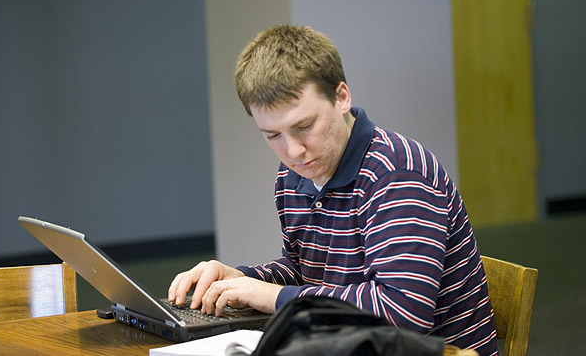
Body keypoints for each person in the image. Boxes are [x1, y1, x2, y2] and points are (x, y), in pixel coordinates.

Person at [168, 24, 498, 355]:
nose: (293, 151)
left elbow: (401, 315)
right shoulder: (293, 176)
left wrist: (274, 298)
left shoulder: (398, 174)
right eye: (272, 135)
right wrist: (240, 281)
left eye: (304, 126)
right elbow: (306, 272)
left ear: (341, 97)